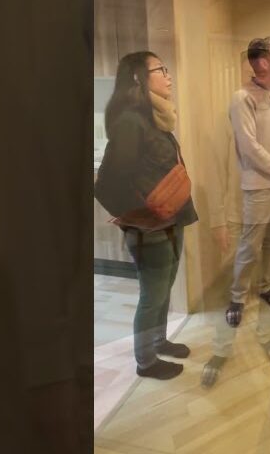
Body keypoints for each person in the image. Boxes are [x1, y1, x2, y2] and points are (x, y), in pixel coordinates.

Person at [203, 37, 270, 387]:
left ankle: (265, 288)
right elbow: (248, 147)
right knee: (250, 246)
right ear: (262, 63)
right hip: (260, 186)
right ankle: (236, 298)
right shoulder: (242, 98)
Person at [95, 51, 199, 381]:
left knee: (164, 287)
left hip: (172, 216)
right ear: (139, 78)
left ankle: (158, 341)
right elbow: (107, 183)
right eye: (160, 69)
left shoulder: (155, 117)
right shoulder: (131, 122)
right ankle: (146, 361)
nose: (168, 75)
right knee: (152, 294)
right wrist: (140, 217)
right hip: (150, 225)